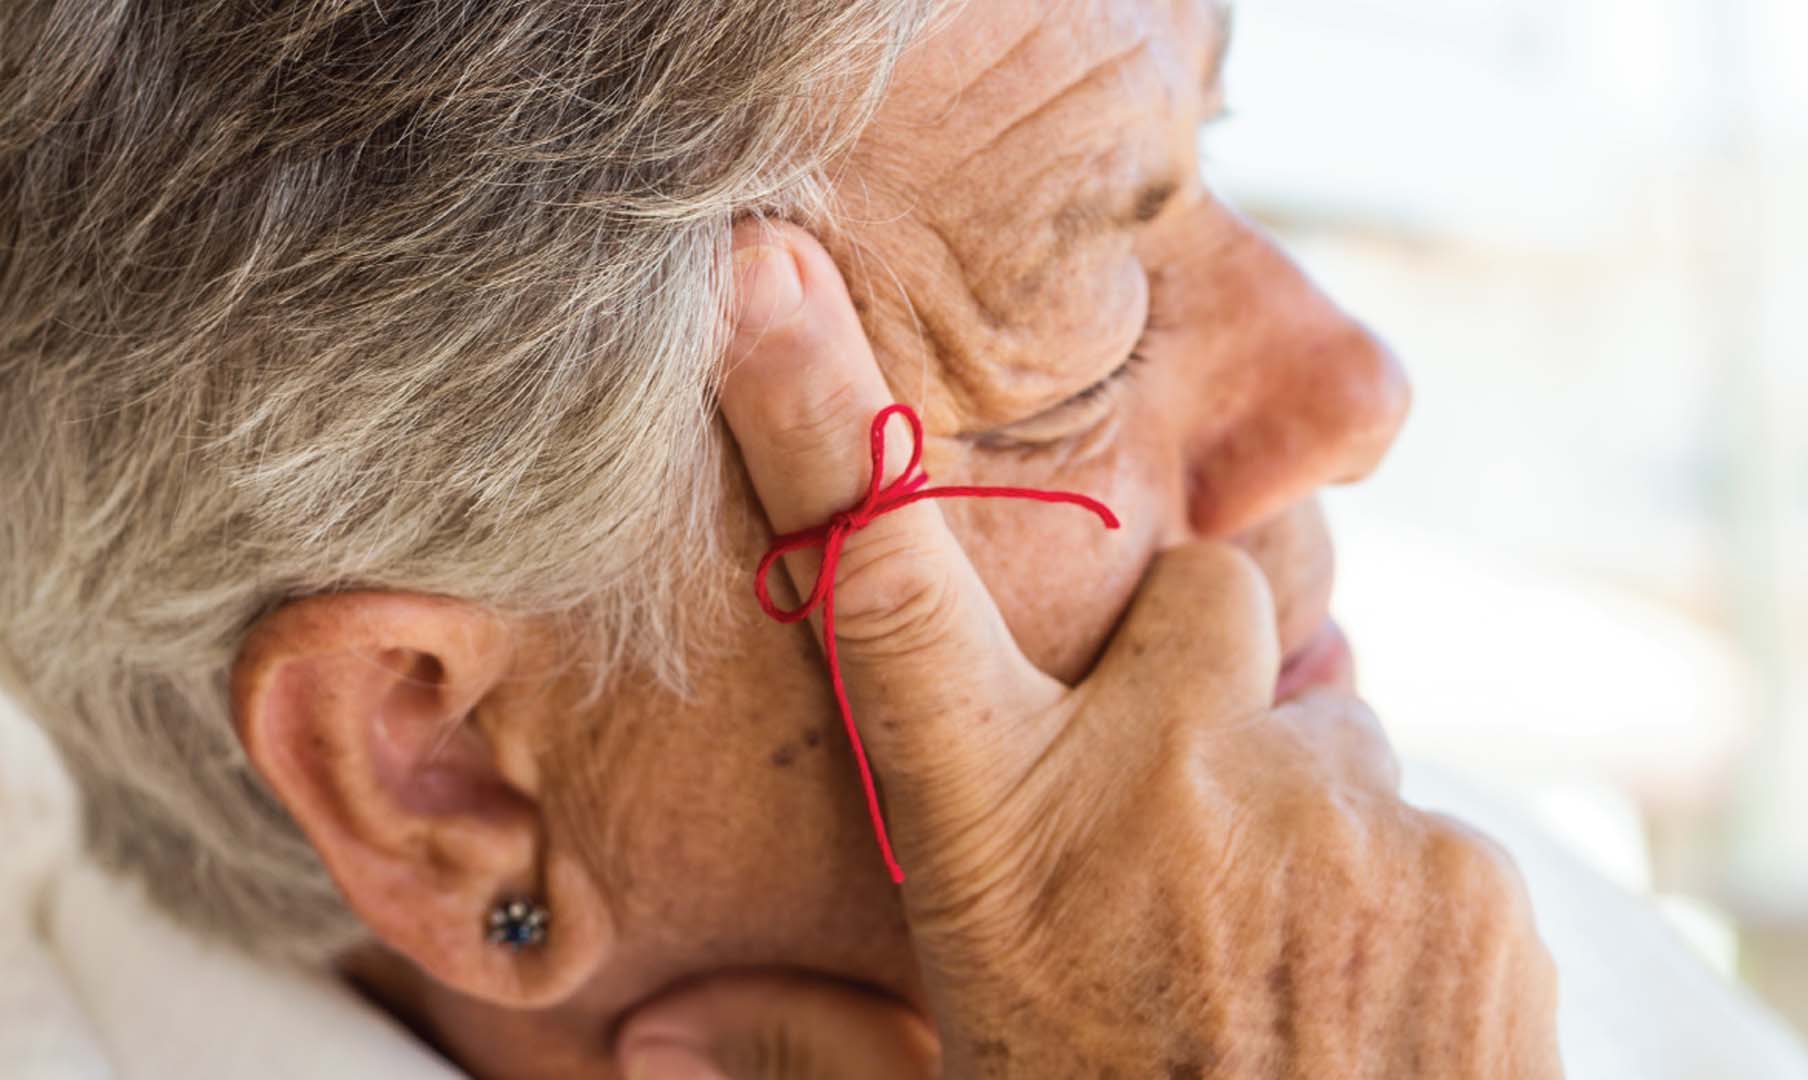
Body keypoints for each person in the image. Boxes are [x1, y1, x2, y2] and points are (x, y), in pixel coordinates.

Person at [2, 0, 1804, 1076]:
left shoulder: (1370, 930)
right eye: (1085, 330)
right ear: (440, 766)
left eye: (1212, 147)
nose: (1354, 386)